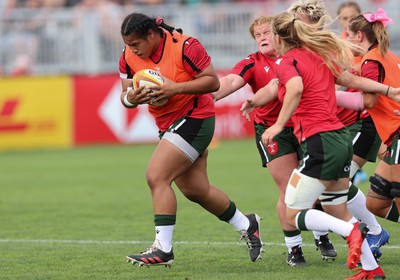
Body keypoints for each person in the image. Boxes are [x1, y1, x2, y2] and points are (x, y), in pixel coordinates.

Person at [118, 12, 263, 267]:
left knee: (157, 175)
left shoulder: (185, 45)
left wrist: (175, 87)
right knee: (196, 190)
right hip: (167, 124)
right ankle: (246, 223)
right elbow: (124, 94)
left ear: (151, 34)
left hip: (196, 116)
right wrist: (132, 99)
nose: (131, 49)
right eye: (128, 44)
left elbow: (212, 82)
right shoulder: (127, 56)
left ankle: (163, 248)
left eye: (135, 44)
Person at [260, 11, 394, 279]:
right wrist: (387, 90)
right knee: (337, 209)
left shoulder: (287, 61)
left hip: (319, 141)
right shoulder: (316, 57)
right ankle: (372, 269)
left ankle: (352, 232)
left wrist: (277, 125)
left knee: (292, 215)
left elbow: (295, 88)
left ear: (277, 37)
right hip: (340, 139)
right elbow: (349, 80)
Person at [213, 15, 336, 266]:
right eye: (257, 35)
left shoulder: (299, 57)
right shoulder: (253, 61)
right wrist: (206, 96)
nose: (261, 38)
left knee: (315, 187)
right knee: (288, 190)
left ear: (280, 34)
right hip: (272, 131)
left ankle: (321, 235)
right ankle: (294, 248)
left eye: (266, 33)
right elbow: (231, 81)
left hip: (306, 126)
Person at [346, 9, 400, 227]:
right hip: (393, 137)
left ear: (359, 36)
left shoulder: (370, 61)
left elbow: (369, 102)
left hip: (397, 132)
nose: (347, 41)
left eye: (349, 35)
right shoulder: (391, 56)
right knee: (375, 203)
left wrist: (332, 97)